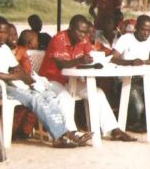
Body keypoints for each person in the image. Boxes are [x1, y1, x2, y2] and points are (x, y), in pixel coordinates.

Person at [0, 17, 85, 148]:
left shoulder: (4, 48)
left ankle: (66, 132)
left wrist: (27, 78)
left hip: (10, 85)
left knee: (48, 95)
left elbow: (16, 68)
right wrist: (14, 76)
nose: (3, 36)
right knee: (34, 98)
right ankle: (59, 136)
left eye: (5, 33)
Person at [38, 14, 136, 142]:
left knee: (98, 92)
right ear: (71, 28)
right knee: (65, 96)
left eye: (85, 32)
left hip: (70, 80)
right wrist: (79, 60)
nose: (83, 35)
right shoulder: (58, 39)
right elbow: (60, 65)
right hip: (50, 80)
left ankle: (113, 130)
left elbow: (90, 57)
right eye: (80, 31)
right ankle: (71, 133)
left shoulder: (83, 40)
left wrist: (95, 62)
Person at [110, 15, 150, 132]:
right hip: (126, 81)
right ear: (136, 27)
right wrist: (130, 62)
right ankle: (127, 122)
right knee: (138, 107)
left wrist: (145, 62)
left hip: (144, 80)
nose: (146, 33)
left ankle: (146, 124)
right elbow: (112, 58)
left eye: (149, 30)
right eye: (143, 29)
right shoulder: (126, 38)